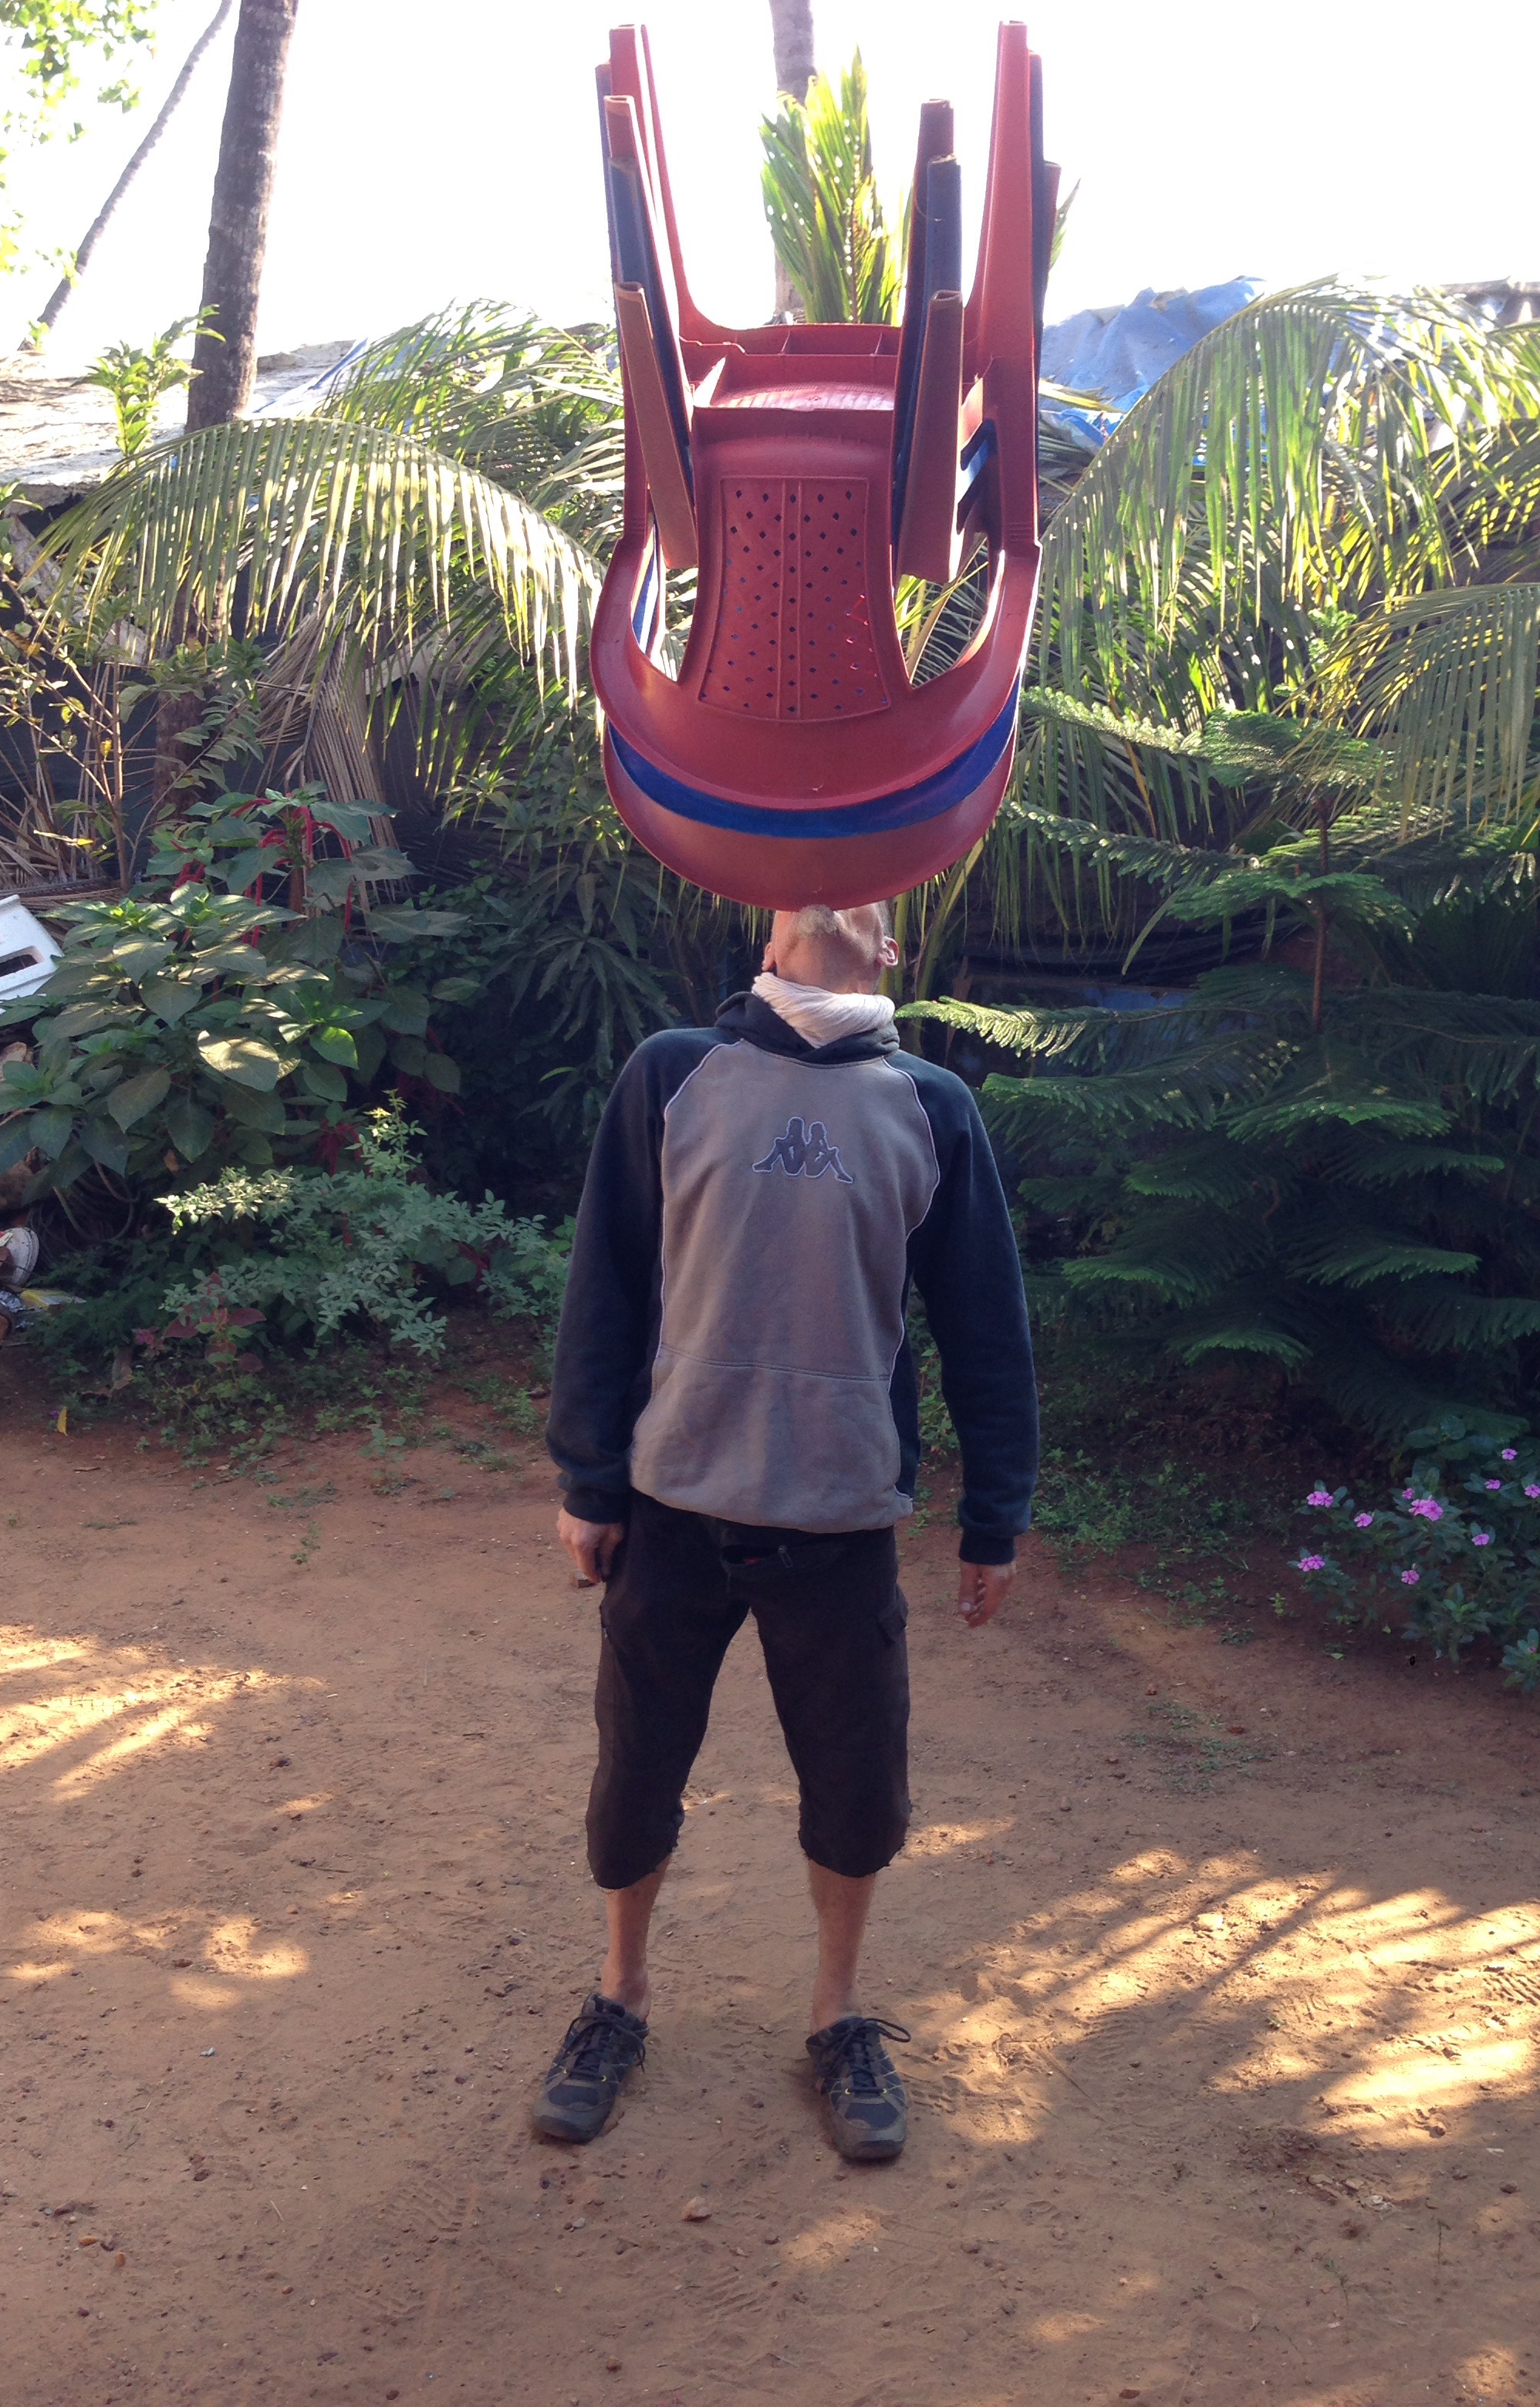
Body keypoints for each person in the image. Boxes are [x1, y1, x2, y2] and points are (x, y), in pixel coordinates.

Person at [535, 900, 1038, 2161]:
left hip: (841, 1516)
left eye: (868, 891)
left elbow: (987, 1325)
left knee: (856, 1791)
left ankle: (837, 2016)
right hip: (673, 1503)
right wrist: (587, 1479)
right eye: (807, 884)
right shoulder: (673, 1074)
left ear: (894, 950)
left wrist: (997, 1515)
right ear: (766, 935)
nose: (834, 895)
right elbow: (606, 1281)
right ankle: (619, 1997)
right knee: (635, 1774)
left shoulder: (932, 1107)